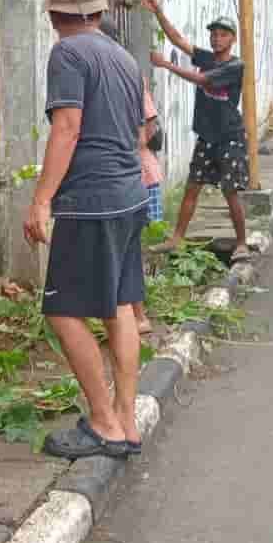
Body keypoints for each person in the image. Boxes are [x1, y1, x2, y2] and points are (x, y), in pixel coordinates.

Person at [24, 0, 148, 459]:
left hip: (90, 201)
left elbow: (68, 128)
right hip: (129, 196)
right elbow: (138, 129)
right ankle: (127, 418)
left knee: (62, 310)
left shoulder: (68, 53)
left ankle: (103, 423)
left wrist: (41, 199)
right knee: (119, 307)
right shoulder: (122, 58)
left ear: (55, 14)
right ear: (96, 11)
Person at [141, 0, 251, 263]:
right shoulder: (207, 57)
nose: (216, 38)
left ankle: (242, 243)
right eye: (213, 33)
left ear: (232, 39)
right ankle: (176, 238)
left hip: (230, 137)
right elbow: (179, 40)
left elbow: (202, 79)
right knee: (192, 186)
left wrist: (166, 65)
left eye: (222, 34)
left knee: (230, 191)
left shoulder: (235, 66)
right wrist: (158, 13)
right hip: (207, 135)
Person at [102, 18, 164, 336]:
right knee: (128, 249)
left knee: (126, 251)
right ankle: (131, 314)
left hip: (130, 176)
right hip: (135, 175)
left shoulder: (121, 74)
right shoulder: (126, 72)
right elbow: (149, 124)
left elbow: (145, 131)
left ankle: (133, 315)